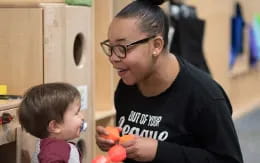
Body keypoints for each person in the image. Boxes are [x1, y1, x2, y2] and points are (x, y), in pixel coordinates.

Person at [95, 0, 243, 163]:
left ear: (156, 46)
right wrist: (116, 141)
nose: (113, 58)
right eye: (111, 47)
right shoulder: (127, 85)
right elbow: (135, 145)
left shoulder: (206, 97)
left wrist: (160, 151)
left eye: (123, 48)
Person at [18, 82, 87, 163]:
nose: (82, 117)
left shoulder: (52, 145)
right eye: (76, 113)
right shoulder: (54, 149)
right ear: (55, 126)